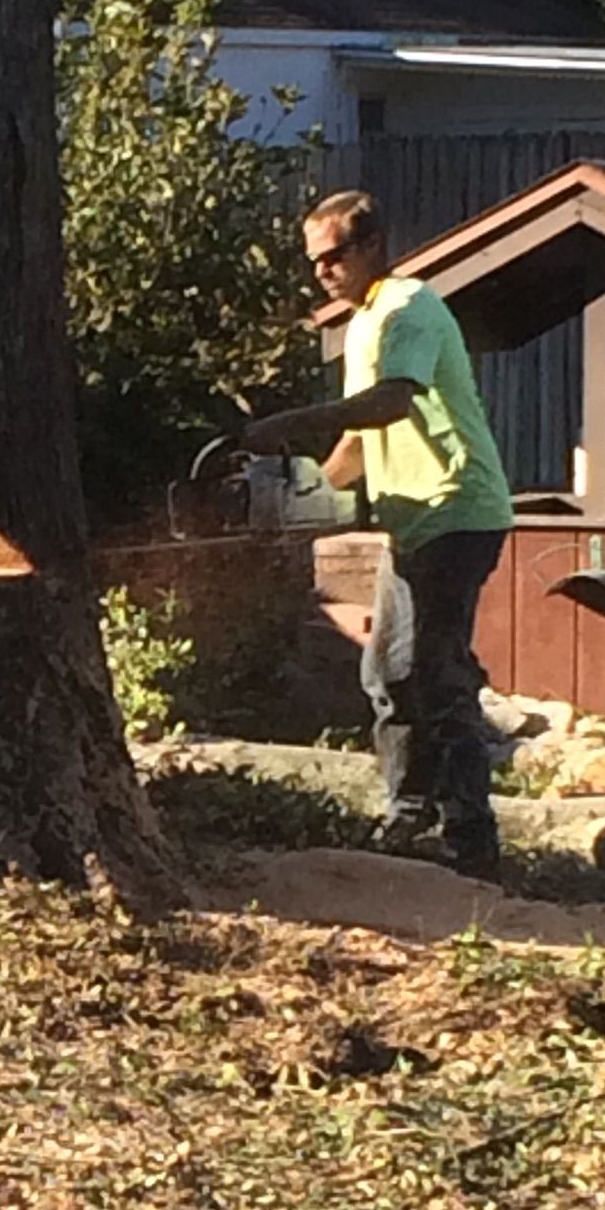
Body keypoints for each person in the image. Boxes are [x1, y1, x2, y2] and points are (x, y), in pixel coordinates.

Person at [239, 190, 514, 878]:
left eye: (334, 255)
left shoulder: (406, 307)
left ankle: (470, 839)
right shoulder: (363, 324)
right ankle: (409, 816)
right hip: (410, 522)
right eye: (314, 261)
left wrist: (291, 423)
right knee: (389, 670)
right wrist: (297, 492)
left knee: (438, 673)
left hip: (456, 510)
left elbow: (393, 402)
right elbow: (356, 450)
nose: (322, 271)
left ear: (372, 246)